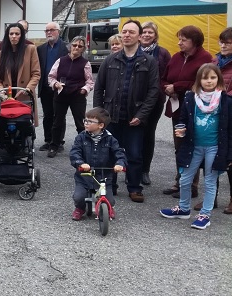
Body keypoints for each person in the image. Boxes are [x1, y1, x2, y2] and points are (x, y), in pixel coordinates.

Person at [93, 19, 160, 203]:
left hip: (134, 118)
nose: (127, 35)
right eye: (124, 32)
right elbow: (99, 88)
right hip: (111, 118)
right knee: (108, 153)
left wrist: (141, 115)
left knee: (135, 155)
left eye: (131, 32)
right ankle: (110, 186)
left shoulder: (149, 61)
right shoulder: (110, 59)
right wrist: (100, 115)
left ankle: (134, 187)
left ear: (139, 36)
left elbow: (154, 91)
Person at [159, 63, 232, 230]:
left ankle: (205, 215)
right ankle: (184, 209)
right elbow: (183, 118)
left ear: (218, 79)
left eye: (213, 77)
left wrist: (229, 155)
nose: (209, 81)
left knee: (210, 182)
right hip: (194, 146)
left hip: (215, 147)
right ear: (199, 80)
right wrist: (181, 129)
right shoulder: (191, 98)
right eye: (205, 78)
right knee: (185, 179)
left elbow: (229, 130)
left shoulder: (225, 100)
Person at [161, 25, 213, 199]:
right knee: (180, 146)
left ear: (195, 41)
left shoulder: (205, 59)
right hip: (177, 109)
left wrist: (177, 86)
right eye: (179, 39)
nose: (179, 43)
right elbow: (164, 78)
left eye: (184, 40)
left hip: (197, 110)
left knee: (193, 147)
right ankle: (180, 181)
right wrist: (167, 88)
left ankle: (192, 185)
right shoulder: (176, 57)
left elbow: (198, 82)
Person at [69, 108, 127, 221]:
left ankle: (109, 207)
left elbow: (119, 153)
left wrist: (120, 164)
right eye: (85, 120)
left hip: (103, 177)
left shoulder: (110, 140)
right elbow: (75, 152)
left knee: (109, 200)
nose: (86, 123)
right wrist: (80, 163)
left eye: (90, 121)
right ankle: (80, 209)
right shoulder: (81, 137)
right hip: (84, 176)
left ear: (101, 125)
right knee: (79, 197)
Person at [47, 36, 94, 158]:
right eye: (74, 45)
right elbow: (51, 76)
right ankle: (54, 146)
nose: (76, 48)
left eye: (80, 46)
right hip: (61, 94)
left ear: (83, 49)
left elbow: (90, 81)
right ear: (70, 46)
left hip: (77, 96)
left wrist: (84, 90)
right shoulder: (60, 60)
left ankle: (84, 147)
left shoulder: (85, 63)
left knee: (80, 123)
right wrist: (55, 84)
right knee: (57, 122)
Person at [139, 21, 172, 186]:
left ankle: (145, 170)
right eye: (144, 31)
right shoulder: (133, 50)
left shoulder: (163, 53)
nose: (146, 35)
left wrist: (161, 89)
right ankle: (132, 168)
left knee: (148, 134)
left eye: (150, 32)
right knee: (133, 135)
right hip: (134, 100)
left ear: (155, 35)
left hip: (154, 100)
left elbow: (168, 75)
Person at [36, 22, 69, 153]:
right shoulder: (41, 49)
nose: (49, 33)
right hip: (45, 87)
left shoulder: (66, 48)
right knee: (47, 115)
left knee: (59, 115)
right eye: (47, 31)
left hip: (59, 87)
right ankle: (48, 140)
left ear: (58, 32)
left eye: (52, 30)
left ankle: (58, 141)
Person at [0, 23, 41, 113]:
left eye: (17, 34)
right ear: (7, 36)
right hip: (7, 96)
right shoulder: (1, 54)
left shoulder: (31, 49)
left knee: (24, 123)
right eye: (11, 34)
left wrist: (28, 88)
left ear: (21, 35)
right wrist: (0, 90)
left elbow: (36, 73)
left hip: (24, 94)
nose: (14, 36)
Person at [213, 27, 232, 214]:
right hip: (213, 115)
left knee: (230, 158)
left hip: (230, 114)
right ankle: (213, 197)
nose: (223, 45)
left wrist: (222, 98)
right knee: (211, 156)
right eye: (221, 41)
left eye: (227, 42)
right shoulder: (215, 60)